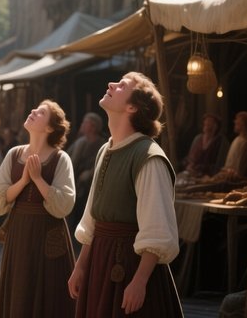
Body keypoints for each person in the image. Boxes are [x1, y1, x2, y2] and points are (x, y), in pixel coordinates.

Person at [68, 72, 183, 317]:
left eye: (121, 85)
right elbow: (93, 218)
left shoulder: (148, 157)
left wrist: (140, 281)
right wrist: (80, 266)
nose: (111, 84)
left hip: (128, 266)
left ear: (133, 107)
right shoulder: (105, 150)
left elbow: (157, 228)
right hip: (100, 259)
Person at [0, 101, 76, 318]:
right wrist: (24, 180)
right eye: (35, 110)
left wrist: (38, 180)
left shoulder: (60, 158)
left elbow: (64, 204)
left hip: (48, 232)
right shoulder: (14, 154)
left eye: (41, 112)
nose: (33, 112)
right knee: (19, 290)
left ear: (49, 128)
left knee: (48, 293)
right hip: (19, 231)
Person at [66, 112, 105, 242]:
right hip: (76, 183)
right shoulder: (79, 142)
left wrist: (89, 173)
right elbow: (68, 160)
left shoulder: (102, 144)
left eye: (85, 122)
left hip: (92, 186)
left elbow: (101, 164)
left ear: (93, 126)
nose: (82, 125)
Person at [182, 113, 228, 178]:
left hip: (209, 176)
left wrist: (202, 169)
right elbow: (191, 157)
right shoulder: (198, 138)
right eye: (205, 121)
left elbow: (219, 163)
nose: (206, 123)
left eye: (209, 121)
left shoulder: (220, 141)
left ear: (215, 126)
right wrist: (189, 164)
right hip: (192, 173)